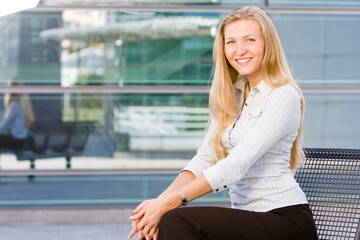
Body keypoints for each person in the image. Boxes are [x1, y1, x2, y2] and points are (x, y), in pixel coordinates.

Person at [128, 6, 318, 240]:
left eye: (250, 40)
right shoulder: (233, 96)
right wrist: (157, 205)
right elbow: (205, 158)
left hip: (285, 221)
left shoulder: (283, 95)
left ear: (267, 44)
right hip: (248, 219)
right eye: (231, 42)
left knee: (177, 222)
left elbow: (235, 165)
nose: (240, 50)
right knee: (161, 222)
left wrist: (170, 203)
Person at [0, 77, 34, 150]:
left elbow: (5, 123)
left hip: (17, 140)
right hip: (23, 139)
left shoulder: (15, 105)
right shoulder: (24, 103)